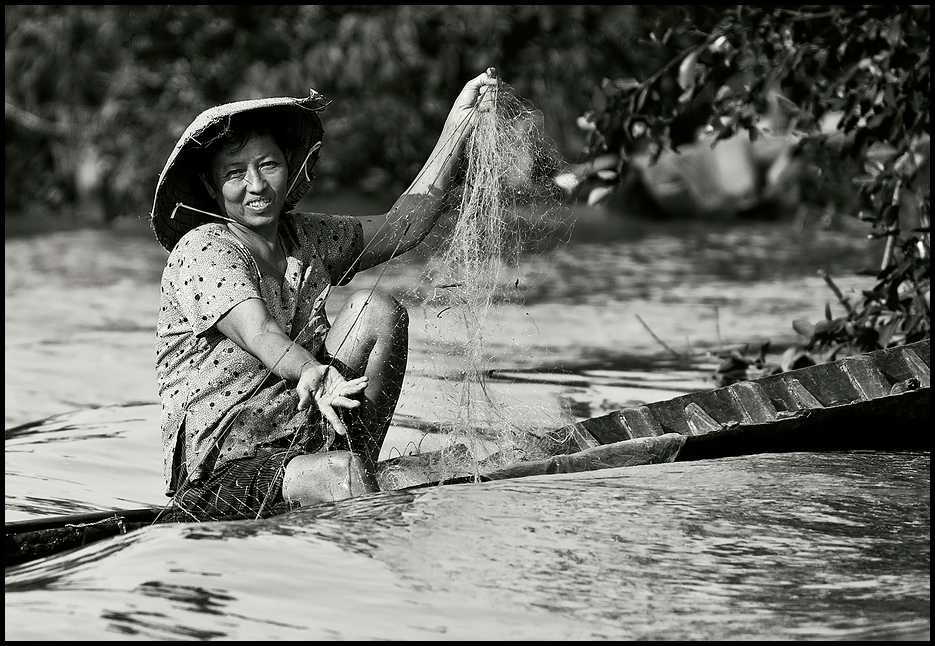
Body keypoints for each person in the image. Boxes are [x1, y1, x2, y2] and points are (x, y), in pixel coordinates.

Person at [151, 69, 498, 521]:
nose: (256, 186)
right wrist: (310, 371)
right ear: (214, 187)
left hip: (306, 430)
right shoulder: (204, 249)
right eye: (236, 174)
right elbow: (259, 331)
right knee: (341, 475)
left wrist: (458, 126)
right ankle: (369, 533)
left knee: (375, 310)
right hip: (222, 468)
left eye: (268, 165)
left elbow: (404, 226)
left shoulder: (306, 237)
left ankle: (358, 466)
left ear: (290, 168)